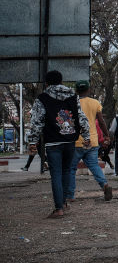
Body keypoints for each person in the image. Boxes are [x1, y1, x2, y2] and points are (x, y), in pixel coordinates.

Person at [27, 70, 91, 218]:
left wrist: (33, 141)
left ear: (47, 83)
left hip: (53, 141)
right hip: (70, 140)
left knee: (56, 173)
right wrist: (86, 136)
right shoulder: (73, 96)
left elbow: (37, 121)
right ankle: (63, 203)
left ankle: (59, 209)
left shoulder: (42, 98)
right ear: (61, 81)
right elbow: (81, 117)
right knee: (67, 170)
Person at [65, 80, 113, 204]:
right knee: (94, 166)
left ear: (76, 90)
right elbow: (101, 122)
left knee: (71, 168)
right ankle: (105, 185)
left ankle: (70, 195)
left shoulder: (71, 102)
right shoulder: (95, 103)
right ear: (88, 90)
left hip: (76, 141)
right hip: (92, 141)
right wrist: (107, 136)